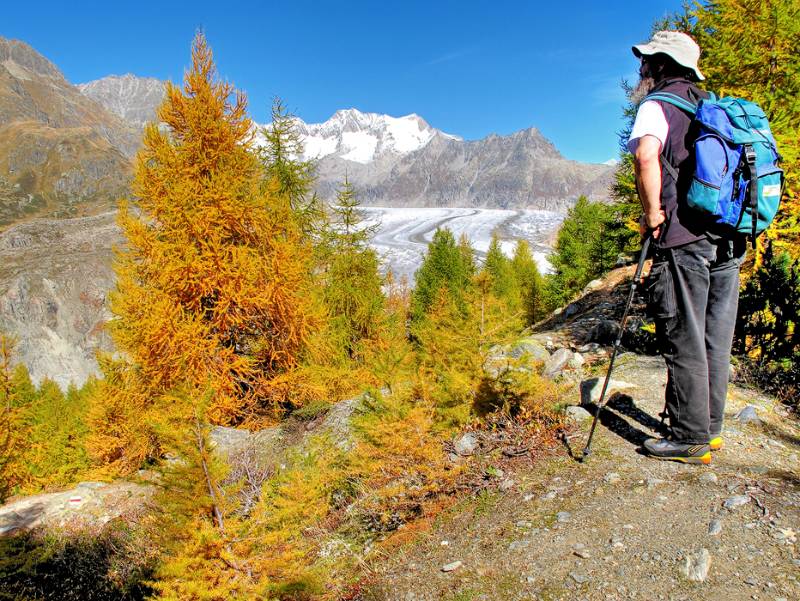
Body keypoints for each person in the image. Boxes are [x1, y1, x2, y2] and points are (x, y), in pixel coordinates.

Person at [627, 31, 746, 464]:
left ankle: (688, 437)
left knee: (684, 330)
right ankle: (709, 428)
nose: (641, 69)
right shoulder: (709, 106)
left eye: (646, 61)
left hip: (687, 234)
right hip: (729, 236)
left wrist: (653, 212)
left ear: (661, 64)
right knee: (715, 333)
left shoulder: (657, 105)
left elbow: (646, 157)